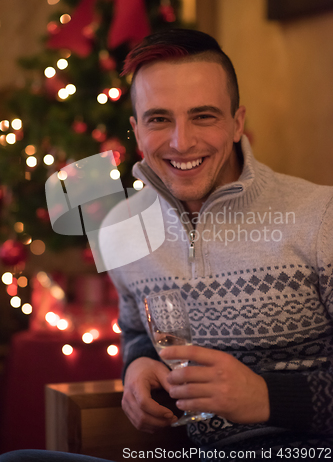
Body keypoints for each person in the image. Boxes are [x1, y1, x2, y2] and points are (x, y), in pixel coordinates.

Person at [1, 29, 333, 462]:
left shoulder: (321, 216)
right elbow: (137, 331)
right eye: (159, 119)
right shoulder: (120, 227)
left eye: (204, 116)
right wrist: (136, 365)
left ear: (237, 123)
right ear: (137, 131)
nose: (181, 142)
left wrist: (268, 396)